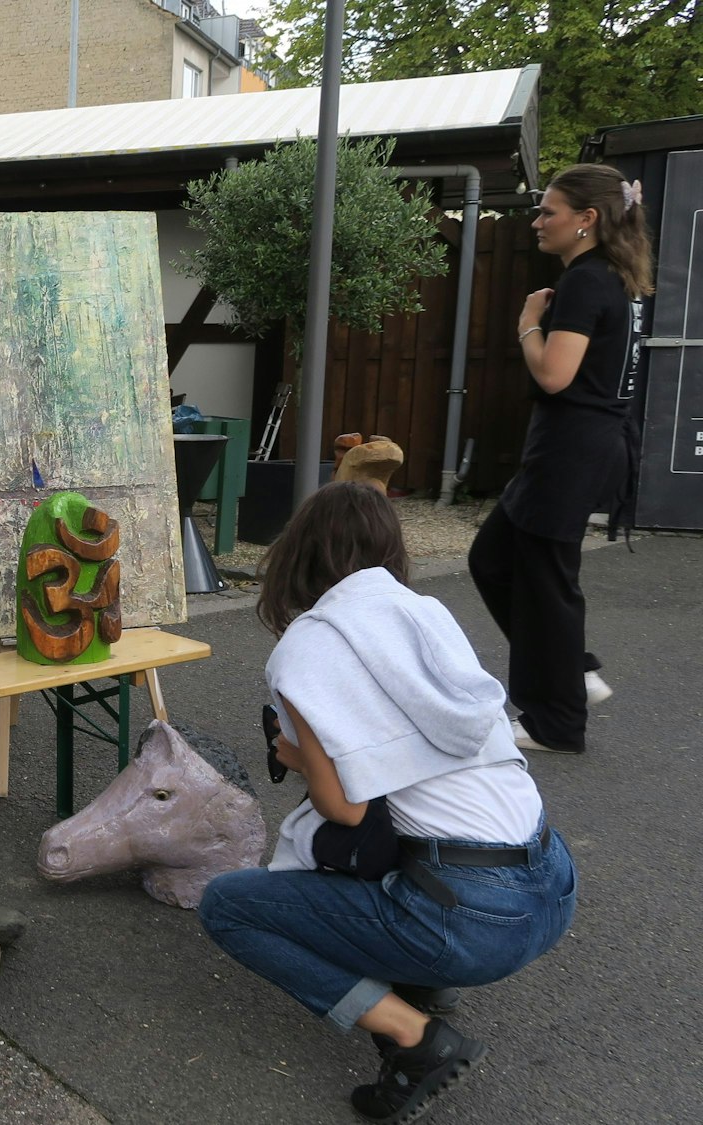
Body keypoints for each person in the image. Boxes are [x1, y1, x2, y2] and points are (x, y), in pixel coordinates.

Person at [198, 482, 576, 1124]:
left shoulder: (309, 645)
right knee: (413, 828)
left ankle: (416, 1038)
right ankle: (427, 980)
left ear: (298, 553)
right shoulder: (426, 614)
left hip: (472, 919)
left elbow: (344, 810)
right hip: (553, 888)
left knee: (229, 906)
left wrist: (296, 757)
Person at [468, 163, 654, 756]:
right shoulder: (614, 277)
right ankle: (571, 672)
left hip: (570, 452)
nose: (537, 221)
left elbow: (554, 375)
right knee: (493, 560)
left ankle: (558, 722)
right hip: (580, 447)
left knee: (549, 585)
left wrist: (528, 325)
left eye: (549, 212)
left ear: (586, 219)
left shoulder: (586, 281)